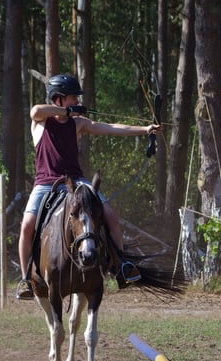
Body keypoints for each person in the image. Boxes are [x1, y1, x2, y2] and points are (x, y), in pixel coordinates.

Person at [16, 73, 162, 300]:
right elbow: (36, 110)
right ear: (59, 98)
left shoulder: (79, 124)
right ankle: (25, 278)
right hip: (46, 183)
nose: (77, 101)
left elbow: (112, 127)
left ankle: (121, 265)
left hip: (76, 181)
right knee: (27, 226)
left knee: (110, 216)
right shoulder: (40, 123)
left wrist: (144, 130)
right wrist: (65, 112)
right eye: (73, 97)